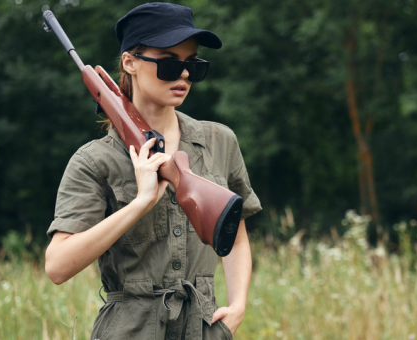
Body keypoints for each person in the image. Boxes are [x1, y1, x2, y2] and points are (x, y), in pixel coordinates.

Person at [44, 3, 262, 339]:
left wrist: (238, 305)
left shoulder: (220, 141)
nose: (185, 75)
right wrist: (140, 204)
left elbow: (234, 234)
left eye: (193, 65)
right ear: (129, 62)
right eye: (170, 64)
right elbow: (57, 266)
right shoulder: (94, 161)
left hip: (203, 329)